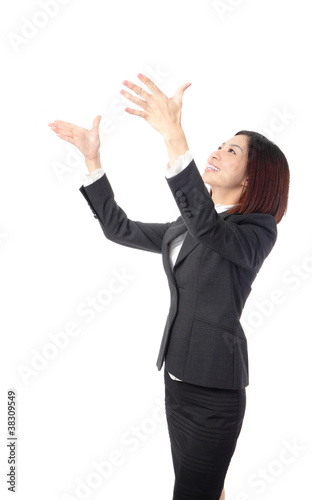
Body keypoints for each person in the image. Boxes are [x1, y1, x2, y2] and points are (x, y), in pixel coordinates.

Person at [48, 73, 290, 500]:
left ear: (252, 178)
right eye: (219, 144)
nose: (217, 152)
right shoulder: (187, 227)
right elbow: (119, 229)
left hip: (215, 394)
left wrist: (174, 135)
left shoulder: (257, 229)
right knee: (200, 489)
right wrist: (92, 161)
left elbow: (209, 229)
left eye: (231, 150)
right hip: (177, 382)